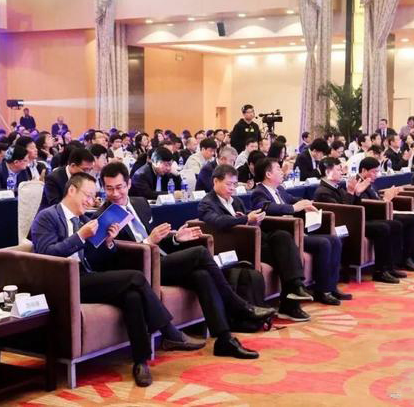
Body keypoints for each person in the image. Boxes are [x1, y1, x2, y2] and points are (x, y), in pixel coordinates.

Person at [32, 172, 206, 387]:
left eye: (93, 197)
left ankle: (141, 362)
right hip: (64, 283)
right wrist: (80, 237)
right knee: (135, 277)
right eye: (88, 196)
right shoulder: (47, 217)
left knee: (133, 296)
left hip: (86, 278)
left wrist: (108, 242)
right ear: (72, 190)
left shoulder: (86, 220)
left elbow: (96, 261)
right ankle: (169, 332)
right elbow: (46, 254)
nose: (90, 202)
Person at [99, 162, 272, 358]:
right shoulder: (103, 217)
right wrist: (148, 242)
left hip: (160, 260)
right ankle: (238, 305)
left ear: (129, 184)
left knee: (202, 275)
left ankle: (224, 340)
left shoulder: (140, 203)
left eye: (119, 187)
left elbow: (158, 238)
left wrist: (175, 238)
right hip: (139, 270)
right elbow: (115, 258)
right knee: (199, 253)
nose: (115, 193)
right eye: (109, 189)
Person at [199, 164, 314, 321]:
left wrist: (254, 219)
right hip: (233, 247)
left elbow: (246, 217)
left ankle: (295, 286)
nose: (232, 188)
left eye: (234, 184)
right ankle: (290, 303)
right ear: (215, 181)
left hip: (251, 241)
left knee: (282, 236)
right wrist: (245, 219)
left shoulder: (236, 201)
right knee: (283, 256)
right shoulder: (207, 203)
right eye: (228, 184)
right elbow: (218, 222)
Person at [251, 158, 350, 305]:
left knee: (334, 240)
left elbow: (293, 199)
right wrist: (294, 208)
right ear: (268, 174)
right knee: (323, 243)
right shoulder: (259, 192)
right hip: (281, 237)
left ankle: (331, 286)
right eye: (278, 169)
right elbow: (267, 207)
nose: (282, 172)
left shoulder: (279, 190)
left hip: (294, 231)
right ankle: (322, 291)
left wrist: (305, 203)